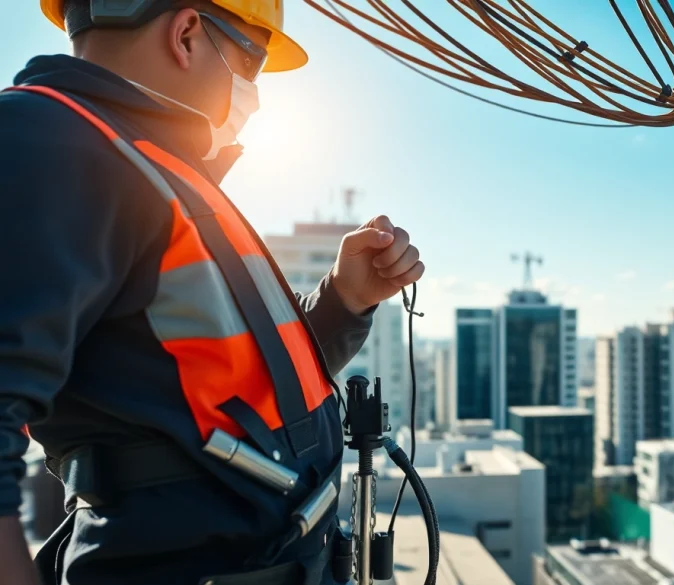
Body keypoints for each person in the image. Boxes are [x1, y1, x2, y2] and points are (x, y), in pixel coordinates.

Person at [0, 1, 425, 583]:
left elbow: (231, 399)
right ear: (187, 33)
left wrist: (343, 301)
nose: (252, 93)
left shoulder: (153, 170)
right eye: (250, 63)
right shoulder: (51, 143)